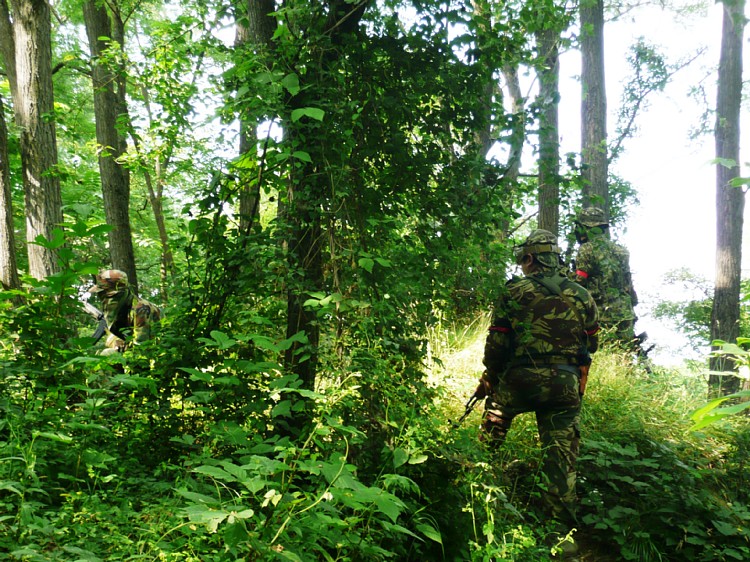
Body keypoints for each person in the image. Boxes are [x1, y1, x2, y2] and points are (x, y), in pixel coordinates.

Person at [474, 229, 599, 555]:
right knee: (561, 460)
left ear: (529, 258)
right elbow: (592, 343)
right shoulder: (582, 295)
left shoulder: (514, 291)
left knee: (493, 427)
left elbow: (497, 345)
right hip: (565, 386)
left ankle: (476, 495)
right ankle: (562, 540)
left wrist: (491, 378)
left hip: (518, 380)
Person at [573, 207, 638, 347]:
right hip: (625, 314)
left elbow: (579, 281)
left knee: (600, 353)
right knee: (623, 353)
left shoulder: (587, 249)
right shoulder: (621, 250)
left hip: (601, 315)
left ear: (585, 227)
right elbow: (628, 284)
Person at [87, 269, 162, 356]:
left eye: (105, 293)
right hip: (140, 345)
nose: (102, 297)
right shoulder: (122, 305)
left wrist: (126, 349)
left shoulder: (140, 310)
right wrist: (120, 341)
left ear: (117, 294)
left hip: (155, 350)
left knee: (105, 354)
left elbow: (141, 348)